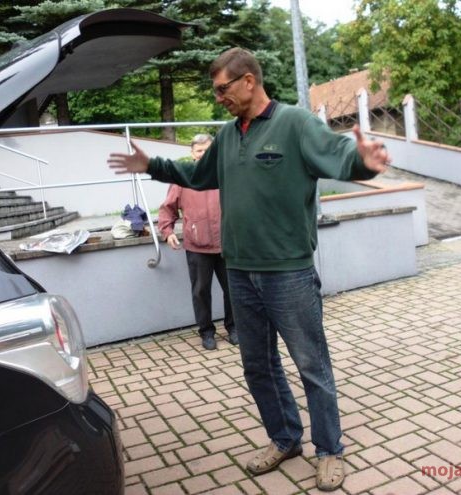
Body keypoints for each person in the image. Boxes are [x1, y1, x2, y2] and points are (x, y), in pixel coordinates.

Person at [108, 47, 390, 492]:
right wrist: (152, 166)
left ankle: (329, 450)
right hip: (239, 270)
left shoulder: (295, 124)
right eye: (215, 91)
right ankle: (285, 439)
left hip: (288, 272)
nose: (219, 97)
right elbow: (198, 174)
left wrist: (362, 162)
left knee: (311, 365)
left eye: (223, 89)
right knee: (258, 366)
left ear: (248, 81)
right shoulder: (227, 136)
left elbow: (338, 153)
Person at [158, 133, 236, 350]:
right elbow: (167, 208)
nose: (203, 154)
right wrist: (167, 231)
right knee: (200, 292)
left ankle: (234, 328)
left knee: (233, 290)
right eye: (199, 150)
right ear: (192, 153)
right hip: (197, 245)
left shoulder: (227, 173)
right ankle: (207, 332)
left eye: (207, 150)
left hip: (228, 244)